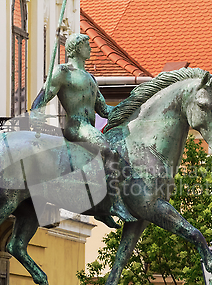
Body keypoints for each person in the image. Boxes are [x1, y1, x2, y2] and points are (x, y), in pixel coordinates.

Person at [30, 33, 137, 226]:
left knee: (119, 152)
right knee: (110, 152)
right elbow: (41, 98)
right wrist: (36, 113)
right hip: (77, 126)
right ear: (76, 48)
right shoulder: (63, 72)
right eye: (87, 45)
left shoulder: (91, 78)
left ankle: (100, 204)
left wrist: (131, 107)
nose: (90, 48)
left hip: (89, 126)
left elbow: (104, 111)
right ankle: (115, 203)